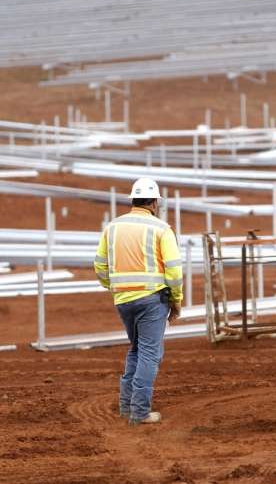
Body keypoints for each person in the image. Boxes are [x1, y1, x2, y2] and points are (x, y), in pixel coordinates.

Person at [94, 177, 183, 425]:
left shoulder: (112, 227)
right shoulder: (161, 229)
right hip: (152, 299)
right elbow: (174, 270)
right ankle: (140, 411)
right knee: (149, 354)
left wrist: (113, 287)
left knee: (136, 349)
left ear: (133, 200)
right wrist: (176, 300)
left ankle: (126, 406)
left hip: (123, 300)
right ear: (154, 202)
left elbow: (100, 265)